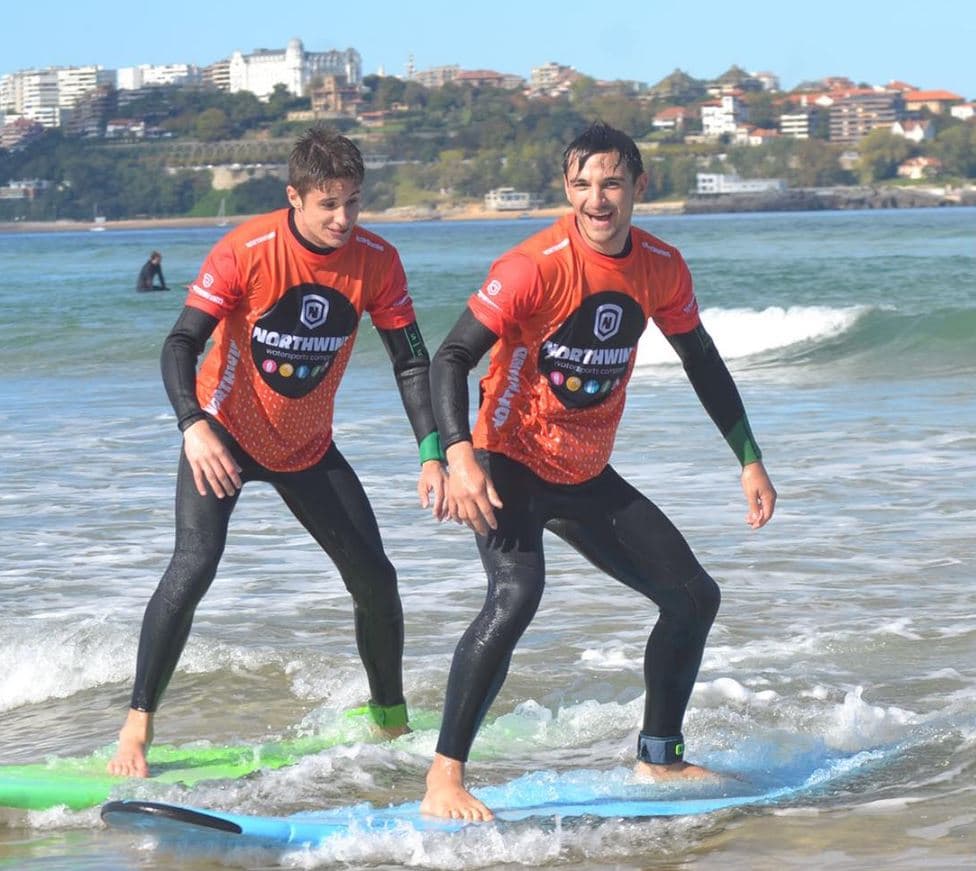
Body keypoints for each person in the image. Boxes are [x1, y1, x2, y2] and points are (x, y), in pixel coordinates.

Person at [420, 122, 777, 821]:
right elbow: (449, 358)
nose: (597, 198)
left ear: (640, 187)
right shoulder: (533, 266)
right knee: (518, 590)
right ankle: (444, 776)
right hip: (506, 458)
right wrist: (455, 454)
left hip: (584, 470)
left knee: (693, 597)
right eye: (582, 184)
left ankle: (659, 756)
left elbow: (702, 359)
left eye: (612, 182)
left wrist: (749, 458)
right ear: (567, 189)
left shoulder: (662, 267)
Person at [108, 127, 448, 777]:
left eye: (354, 201)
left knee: (376, 579)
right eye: (329, 205)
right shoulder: (246, 250)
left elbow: (411, 362)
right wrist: (192, 423)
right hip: (225, 435)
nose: (345, 218)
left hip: (305, 444)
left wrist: (432, 451)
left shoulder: (376, 259)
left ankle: (390, 718)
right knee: (195, 564)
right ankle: (137, 727)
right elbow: (181, 343)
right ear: (294, 197)